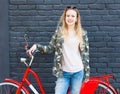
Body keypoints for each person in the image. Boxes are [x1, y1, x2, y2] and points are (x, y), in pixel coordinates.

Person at [27, 5, 90, 94]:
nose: (70, 18)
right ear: (64, 17)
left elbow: (86, 55)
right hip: (63, 72)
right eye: (68, 16)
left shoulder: (82, 34)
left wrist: (87, 74)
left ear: (76, 19)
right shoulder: (59, 32)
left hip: (78, 72)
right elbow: (50, 48)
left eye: (72, 16)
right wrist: (37, 46)